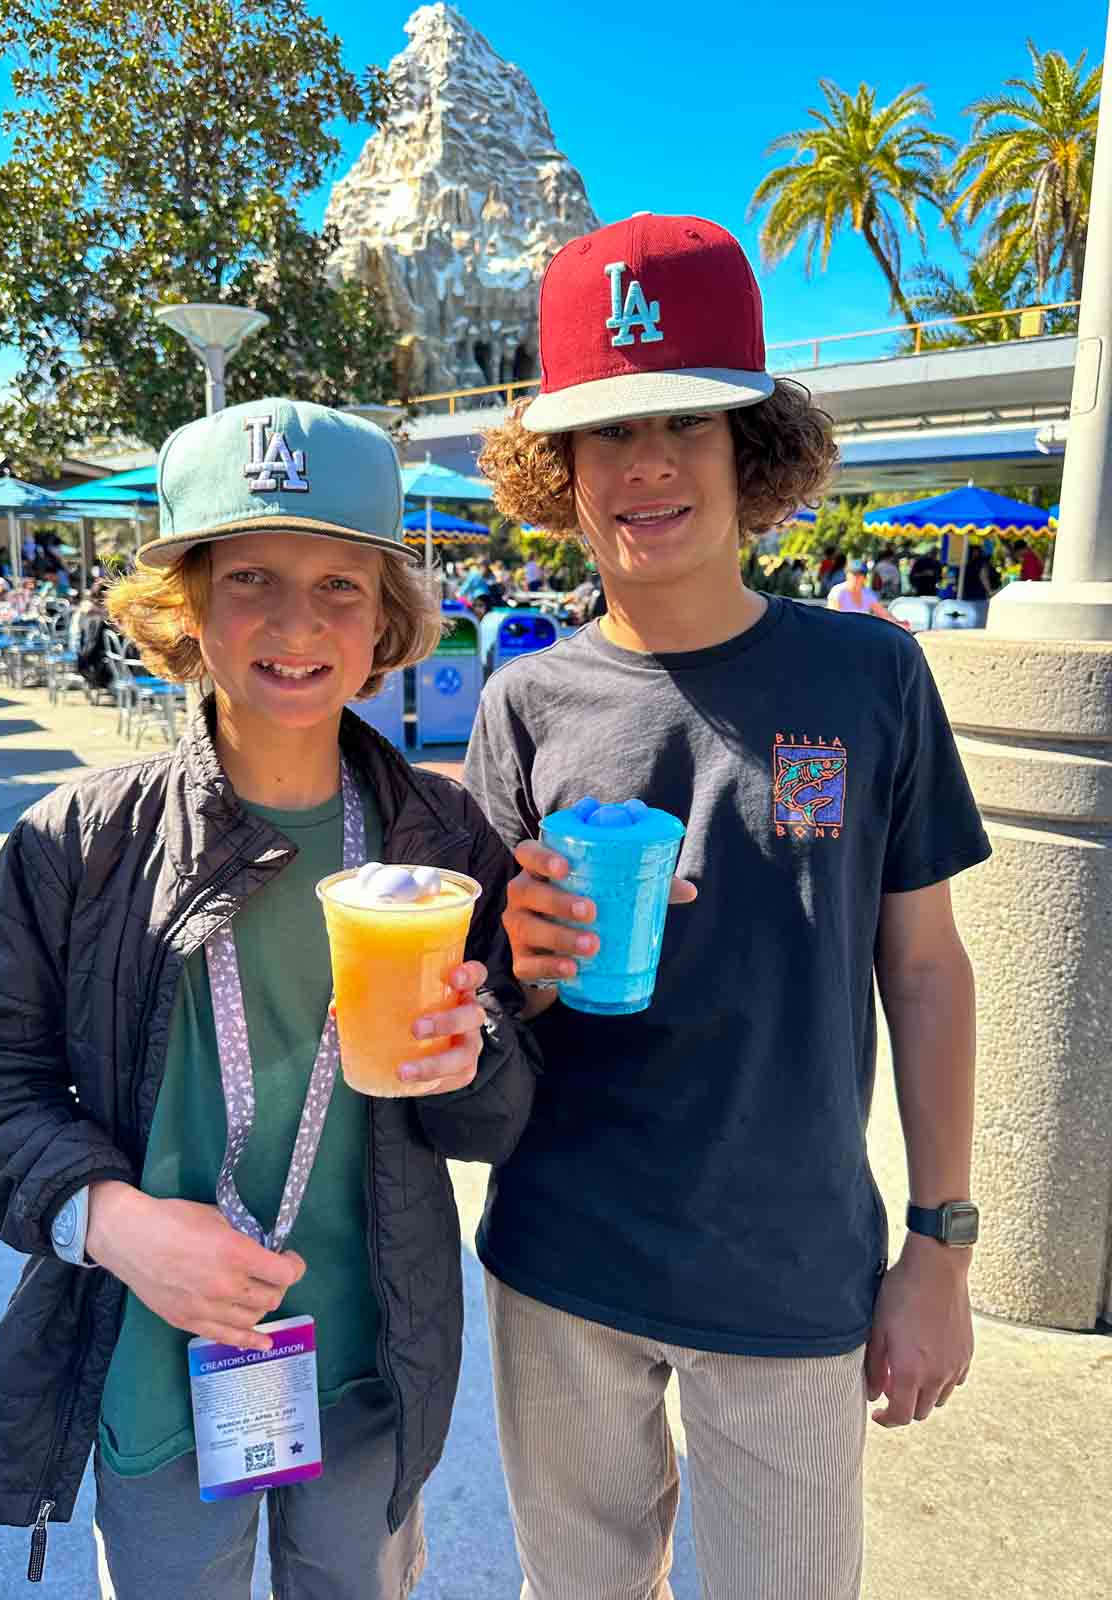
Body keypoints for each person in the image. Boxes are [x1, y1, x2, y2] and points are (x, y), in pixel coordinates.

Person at [0, 399, 540, 1598]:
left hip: (372, 1370)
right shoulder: (80, 841)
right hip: (158, 1369)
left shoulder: (443, 835)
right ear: (189, 609)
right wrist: (112, 1220)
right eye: (252, 577)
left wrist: (475, 1055)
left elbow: (497, 1117)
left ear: (387, 622)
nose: (296, 623)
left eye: (341, 587)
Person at [468, 213, 989, 1600]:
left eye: (688, 423)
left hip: (793, 1266)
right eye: (603, 433)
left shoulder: (870, 681)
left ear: (752, 455)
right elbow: (489, 998)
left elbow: (927, 969)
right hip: (562, 1255)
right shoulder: (523, 700)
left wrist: (941, 1246)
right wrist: (513, 963)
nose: (645, 464)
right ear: (558, 472)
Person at [828, 558, 909, 627]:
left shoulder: (868, 593)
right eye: (853, 574)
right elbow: (833, 618)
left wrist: (898, 623)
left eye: (861, 574)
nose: (857, 577)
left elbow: (883, 614)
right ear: (847, 575)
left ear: (865, 577)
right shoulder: (837, 591)